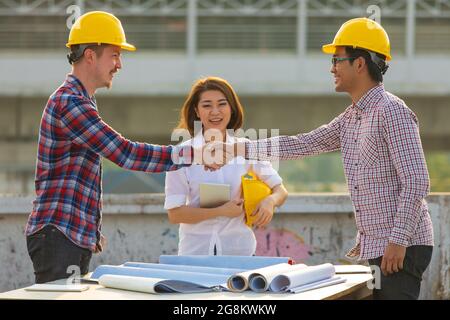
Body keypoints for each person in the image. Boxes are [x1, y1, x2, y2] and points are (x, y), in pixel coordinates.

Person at [213, 18, 434, 299]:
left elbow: (417, 181)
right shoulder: (352, 117)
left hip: (401, 245)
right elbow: (303, 144)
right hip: (380, 245)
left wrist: (398, 241)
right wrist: (240, 149)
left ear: (360, 63)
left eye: (337, 60)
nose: (332, 68)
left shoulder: (392, 111)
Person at [25, 11, 208, 284]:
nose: (119, 64)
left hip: (66, 236)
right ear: (90, 55)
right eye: (114, 54)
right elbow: (125, 153)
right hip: (58, 236)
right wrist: (193, 154)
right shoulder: (70, 103)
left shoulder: (81, 100)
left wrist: (90, 231)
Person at [164, 77, 288, 256]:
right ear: (196, 111)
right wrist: (220, 212)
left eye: (222, 104)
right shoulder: (182, 153)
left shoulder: (246, 148)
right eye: (207, 105)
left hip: (241, 251)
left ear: (231, 108)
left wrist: (270, 202)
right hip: (195, 253)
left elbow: (280, 190)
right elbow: (175, 214)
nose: (215, 111)